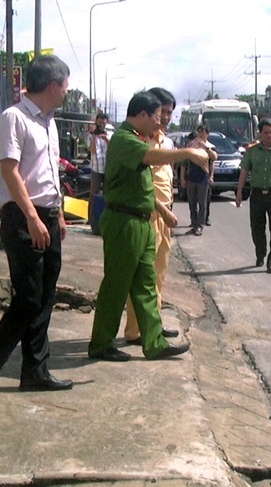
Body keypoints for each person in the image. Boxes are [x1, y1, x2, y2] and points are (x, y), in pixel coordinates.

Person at [0, 54, 74, 393]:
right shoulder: (13, 118)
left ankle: (35, 371)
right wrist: (32, 217)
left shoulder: (50, 121)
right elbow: (10, 172)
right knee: (28, 297)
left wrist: (56, 215)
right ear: (53, 85)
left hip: (47, 216)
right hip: (22, 216)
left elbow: (50, 174)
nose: (67, 93)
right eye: (66, 86)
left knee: (44, 297)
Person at [88, 91, 209, 362]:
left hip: (141, 220)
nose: (159, 122)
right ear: (141, 115)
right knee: (116, 286)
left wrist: (161, 210)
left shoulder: (137, 139)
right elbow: (153, 159)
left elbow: (142, 188)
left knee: (146, 285)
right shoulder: (124, 139)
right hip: (124, 222)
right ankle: (101, 343)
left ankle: (153, 342)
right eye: (156, 117)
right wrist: (188, 152)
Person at [123, 86, 180, 346]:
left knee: (158, 274)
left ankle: (152, 323)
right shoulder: (141, 140)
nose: (166, 117)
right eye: (163, 112)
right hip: (150, 212)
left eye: (169, 113)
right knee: (143, 276)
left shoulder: (165, 141)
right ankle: (136, 331)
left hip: (165, 213)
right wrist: (161, 209)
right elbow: (143, 183)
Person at [234, 118, 271, 274]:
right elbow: (244, 172)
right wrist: (239, 192)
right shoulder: (252, 151)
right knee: (257, 228)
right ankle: (260, 254)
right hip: (257, 194)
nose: (268, 136)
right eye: (265, 132)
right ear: (260, 133)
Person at [184, 124, 217, 236]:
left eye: (202, 132)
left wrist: (205, 147)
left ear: (207, 134)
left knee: (202, 204)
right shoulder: (192, 144)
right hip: (191, 178)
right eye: (199, 132)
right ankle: (193, 224)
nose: (200, 134)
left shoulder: (210, 146)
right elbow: (186, 159)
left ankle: (200, 226)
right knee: (192, 203)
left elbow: (214, 158)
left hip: (203, 179)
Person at [87, 113, 110, 216]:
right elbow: (91, 150)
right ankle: (90, 216)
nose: (102, 125)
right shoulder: (91, 135)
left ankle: (105, 215)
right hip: (96, 169)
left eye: (104, 123)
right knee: (93, 193)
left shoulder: (110, 135)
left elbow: (113, 148)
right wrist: (94, 136)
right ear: (96, 122)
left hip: (107, 169)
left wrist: (105, 139)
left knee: (107, 193)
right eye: (100, 123)